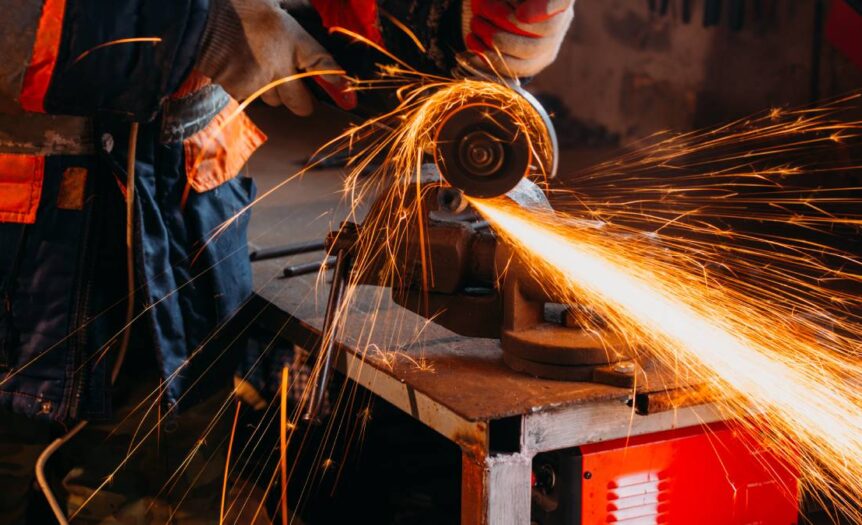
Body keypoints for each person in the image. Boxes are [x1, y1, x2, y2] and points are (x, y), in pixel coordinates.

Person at [0, 0, 573, 523]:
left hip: (179, 261)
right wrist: (195, 31)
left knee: (169, 496)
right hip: (24, 280)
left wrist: (443, 22)